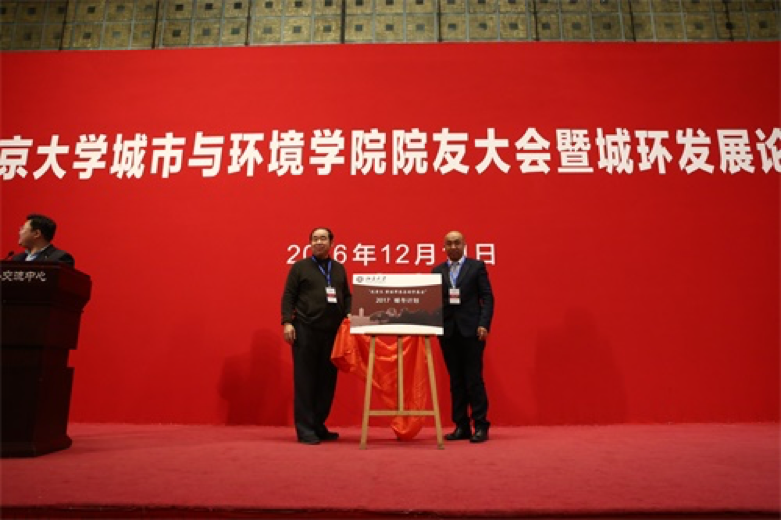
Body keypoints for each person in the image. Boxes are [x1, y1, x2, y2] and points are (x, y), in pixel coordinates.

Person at [281, 227, 351, 445]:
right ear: (310, 243)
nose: (318, 242)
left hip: (332, 332)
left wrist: (350, 313)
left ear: (332, 243)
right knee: (305, 381)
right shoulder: (300, 267)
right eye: (315, 239)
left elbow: (347, 295)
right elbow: (288, 296)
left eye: (323, 238)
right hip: (305, 330)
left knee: (326, 382)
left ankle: (318, 424)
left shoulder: (338, 268)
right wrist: (287, 322)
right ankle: (305, 429)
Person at [432, 230, 494, 443]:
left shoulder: (476, 267)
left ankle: (481, 425)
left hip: (472, 331)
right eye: (449, 243)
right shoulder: (437, 271)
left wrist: (484, 324)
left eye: (457, 243)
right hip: (448, 332)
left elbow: (487, 298)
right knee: (456, 380)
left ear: (464, 244)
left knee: (473, 379)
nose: (453, 247)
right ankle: (461, 425)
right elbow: (433, 303)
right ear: (444, 247)